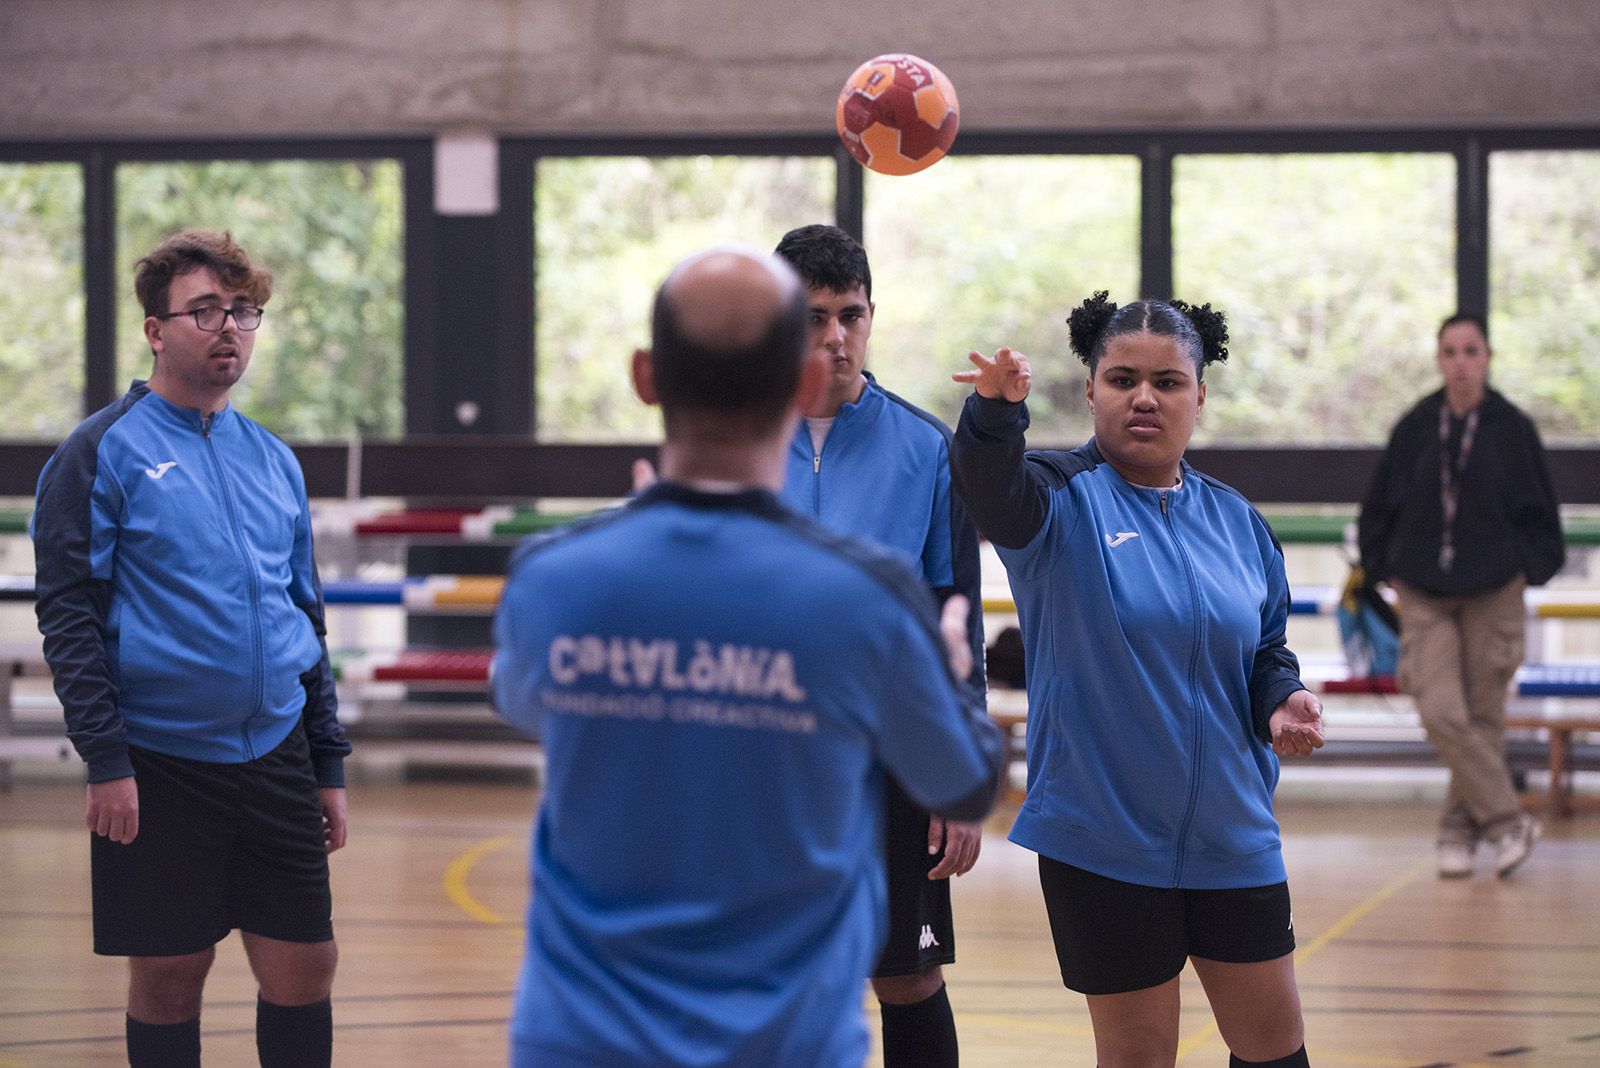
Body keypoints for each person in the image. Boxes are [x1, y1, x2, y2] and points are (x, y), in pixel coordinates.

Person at [491, 245, 1004, 1067]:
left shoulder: (552, 580)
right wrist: (937, 678)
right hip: (782, 1038)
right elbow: (968, 777)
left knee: (910, 974)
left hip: (579, 1037)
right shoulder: (867, 602)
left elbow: (521, 703)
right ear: (800, 382)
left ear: (646, 377)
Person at [949, 292, 1325, 1068]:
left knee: (1275, 1050)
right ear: (1090, 391)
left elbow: (1265, 650)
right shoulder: (1056, 496)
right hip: (1103, 842)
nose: (1144, 397)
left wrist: (1282, 698)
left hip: (1234, 834)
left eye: (1167, 381)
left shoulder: (1238, 521)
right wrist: (994, 412)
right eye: (1121, 379)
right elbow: (988, 487)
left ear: (1199, 395)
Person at [31, 229, 349, 1068]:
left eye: (243, 311)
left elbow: (302, 619)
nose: (228, 328)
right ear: (155, 329)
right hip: (158, 762)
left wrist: (327, 763)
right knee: (172, 973)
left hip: (275, 752)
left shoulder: (275, 460)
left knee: (306, 963)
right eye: (204, 310)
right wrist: (105, 759)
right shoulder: (99, 453)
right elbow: (68, 616)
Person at [772, 223, 986, 1068]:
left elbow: (954, 616)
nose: (835, 336)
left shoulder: (926, 447)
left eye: (850, 315)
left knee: (907, 978)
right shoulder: (730, 441)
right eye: (814, 316)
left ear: (871, 317)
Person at [1358, 312, 1564, 880]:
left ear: (1487, 358)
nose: (1461, 363)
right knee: (1442, 712)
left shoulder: (1512, 429)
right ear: (1438, 360)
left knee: (1483, 718)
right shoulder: (1417, 426)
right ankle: (1505, 822)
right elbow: (1379, 504)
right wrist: (1382, 567)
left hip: (1494, 590)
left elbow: (1541, 513)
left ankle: (1457, 832)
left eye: (1471, 351)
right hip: (1424, 592)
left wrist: (1526, 568)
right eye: (1450, 351)